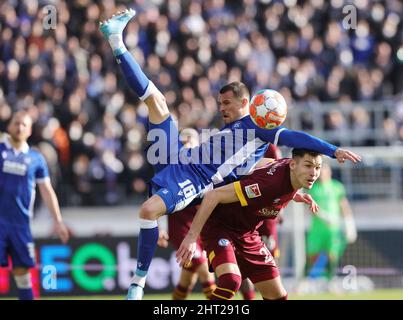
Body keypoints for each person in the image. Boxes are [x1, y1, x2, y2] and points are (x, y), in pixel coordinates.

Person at [99, 9, 361, 300]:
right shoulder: (240, 132)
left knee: (148, 211)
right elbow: (257, 165)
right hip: (182, 156)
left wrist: (332, 150)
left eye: (226, 102)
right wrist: (294, 192)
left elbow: (294, 139)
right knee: (157, 102)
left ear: (249, 104)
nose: (221, 108)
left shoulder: (260, 128)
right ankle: (116, 41)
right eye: (219, 102)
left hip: (197, 178)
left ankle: (137, 283)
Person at [176, 149, 323, 299]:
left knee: (278, 296)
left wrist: (294, 195)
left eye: (318, 167)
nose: (313, 172)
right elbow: (213, 195)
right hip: (219, 227)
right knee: (230, 281)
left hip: (248, 233)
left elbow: (260, 167)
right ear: (293, 164)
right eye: (308, 165)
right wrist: (192, 237)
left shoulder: (286, 168)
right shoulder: (265, 186)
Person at [0, 111, 70, 300]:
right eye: (16, 123)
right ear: (9, 126)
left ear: (29, 130)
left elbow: (46, 190)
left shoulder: (36, 159)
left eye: (23, 124)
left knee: (23, 275)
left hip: (21, 226)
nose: (19, 127)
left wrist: (58, 221)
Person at [157, 128, 216, 300]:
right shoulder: (171, 170)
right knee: (204, 269)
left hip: (200, 229)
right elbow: (156, 198)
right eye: (183, 142)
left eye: (190, 141)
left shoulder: (205, 168)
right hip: (181, 231)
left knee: (187, 279)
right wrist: (159, 227)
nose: (187, 144)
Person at [305, 162, 357, 282]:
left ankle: (330, 281)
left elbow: (344, 206)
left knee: (332, 256)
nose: (322, 173)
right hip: (317, 229)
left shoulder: (337, 187)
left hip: (333, 230)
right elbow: (309, 207)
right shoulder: (313, 188)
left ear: (329, 172)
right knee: (312, 256)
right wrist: (323, 216)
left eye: (324, 170)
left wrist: (350, 225)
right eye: (320, 170)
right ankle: (308, 281)